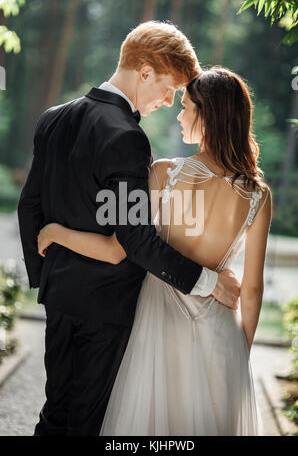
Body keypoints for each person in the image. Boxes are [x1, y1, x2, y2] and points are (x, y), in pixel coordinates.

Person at [18, 22, 240, 436]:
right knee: (86, 422)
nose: (169, 101)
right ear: (144, 72)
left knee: (54, 414)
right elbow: (135, 240)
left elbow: (29, 205)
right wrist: (208, 282)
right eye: (170, 88)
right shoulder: (126, 136)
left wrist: (45, 276)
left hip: (59, 296)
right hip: (105, 307)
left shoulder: (53, 118)